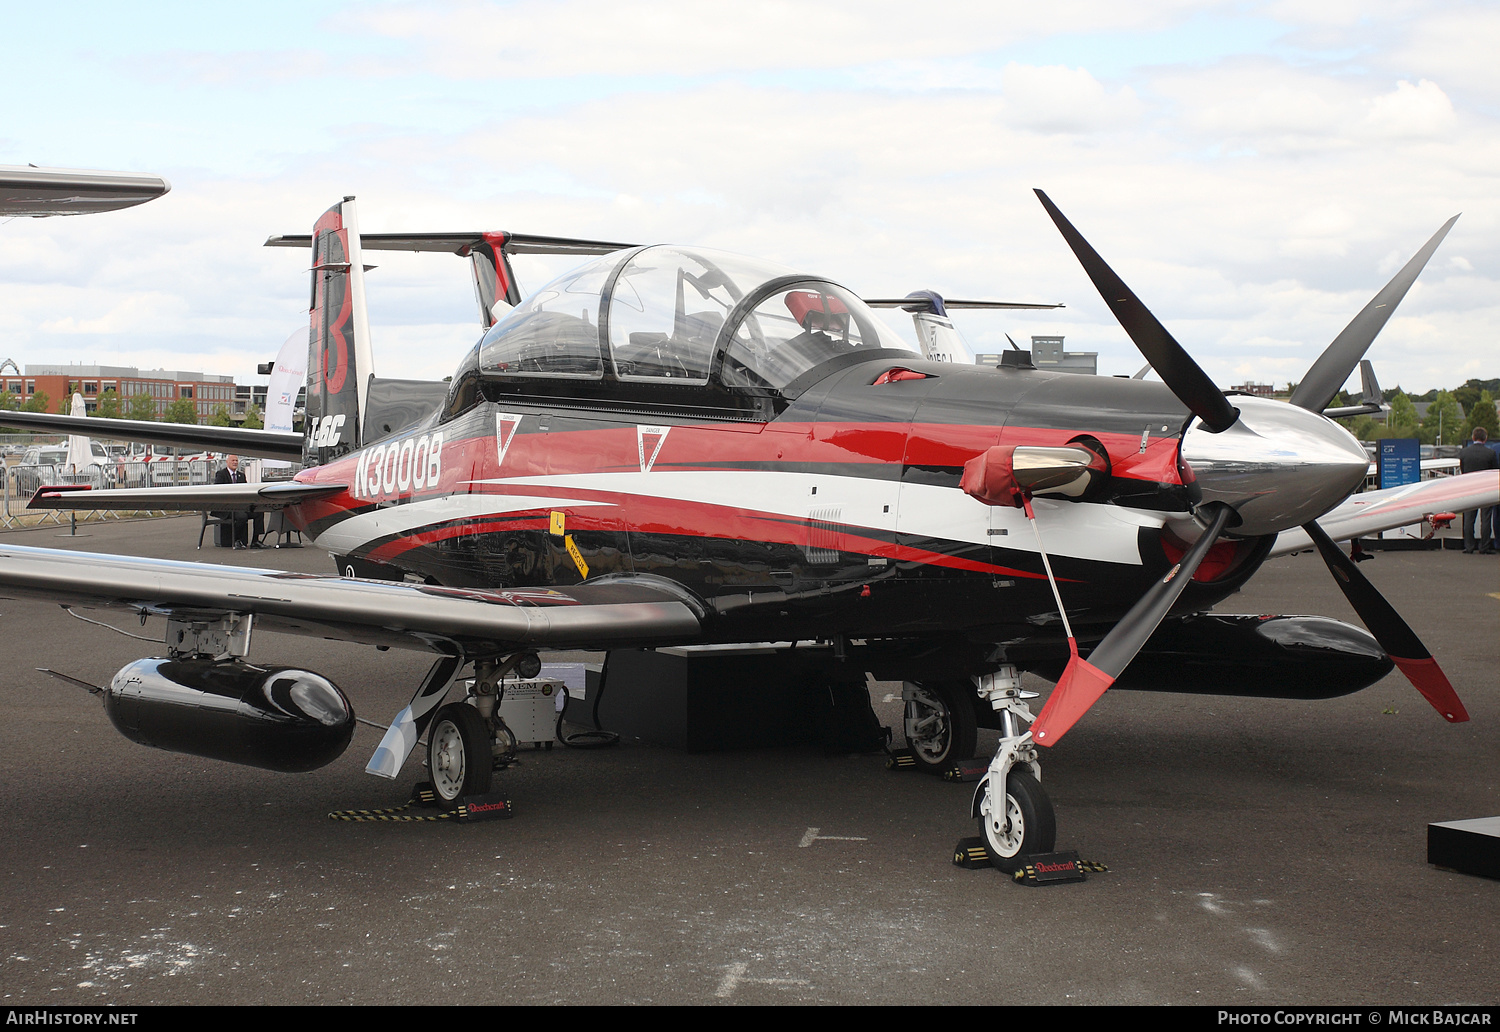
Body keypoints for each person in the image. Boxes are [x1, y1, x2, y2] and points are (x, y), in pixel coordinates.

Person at [1457, 428, 1498, 554]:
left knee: (1469, 519)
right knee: (1486, 519)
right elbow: (1494, 472)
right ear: (1485, 439)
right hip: (1486, 490)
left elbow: (1463, 470)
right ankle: (1484, 547)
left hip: (1470, 489)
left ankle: (1469, 546)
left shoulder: (1464, 453)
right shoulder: (1490, 453)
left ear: (1473, 437)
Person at [212, 454, 263, 548]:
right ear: (227, 462)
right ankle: (237, 540)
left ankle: (255, 540)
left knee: (259, 511)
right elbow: (217, 490)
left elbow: (246, 491)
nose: (235, 462)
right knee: (242, 516)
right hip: (227, 507)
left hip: (241, 506)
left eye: (236, 460)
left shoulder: (241, 475)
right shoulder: (221, 474)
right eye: (233, 460)